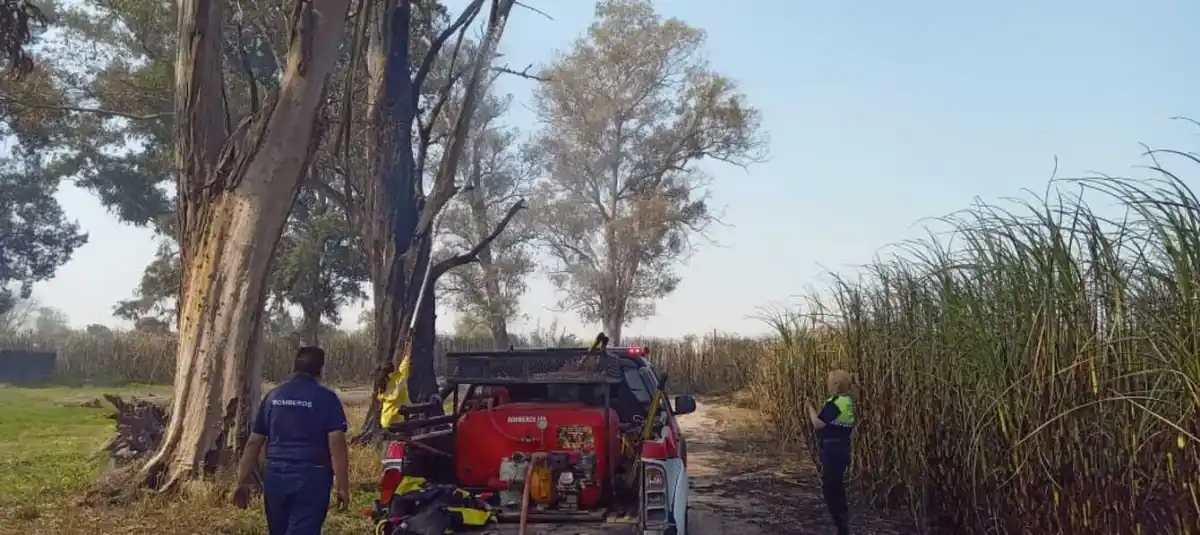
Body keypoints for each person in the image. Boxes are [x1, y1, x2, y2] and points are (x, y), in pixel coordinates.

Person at [234, 346, 351, 535]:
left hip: (275, 477)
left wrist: (241, 481)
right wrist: (342, 485)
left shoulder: (273, 397)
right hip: (312, 478)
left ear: (294, 367)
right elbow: (336, 441)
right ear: (321, 370)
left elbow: (254, 441)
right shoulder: (326, 398)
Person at [807, 369, 856, 535]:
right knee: (836, 486)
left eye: (829, 380)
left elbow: (818, 424)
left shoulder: (836, 402)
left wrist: (809, 408)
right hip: (841, 447)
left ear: (836, 384)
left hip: (833, 449)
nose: (827, 383)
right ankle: (842, 524)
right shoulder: (847, 401)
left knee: (831, 488)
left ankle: (842, 527)